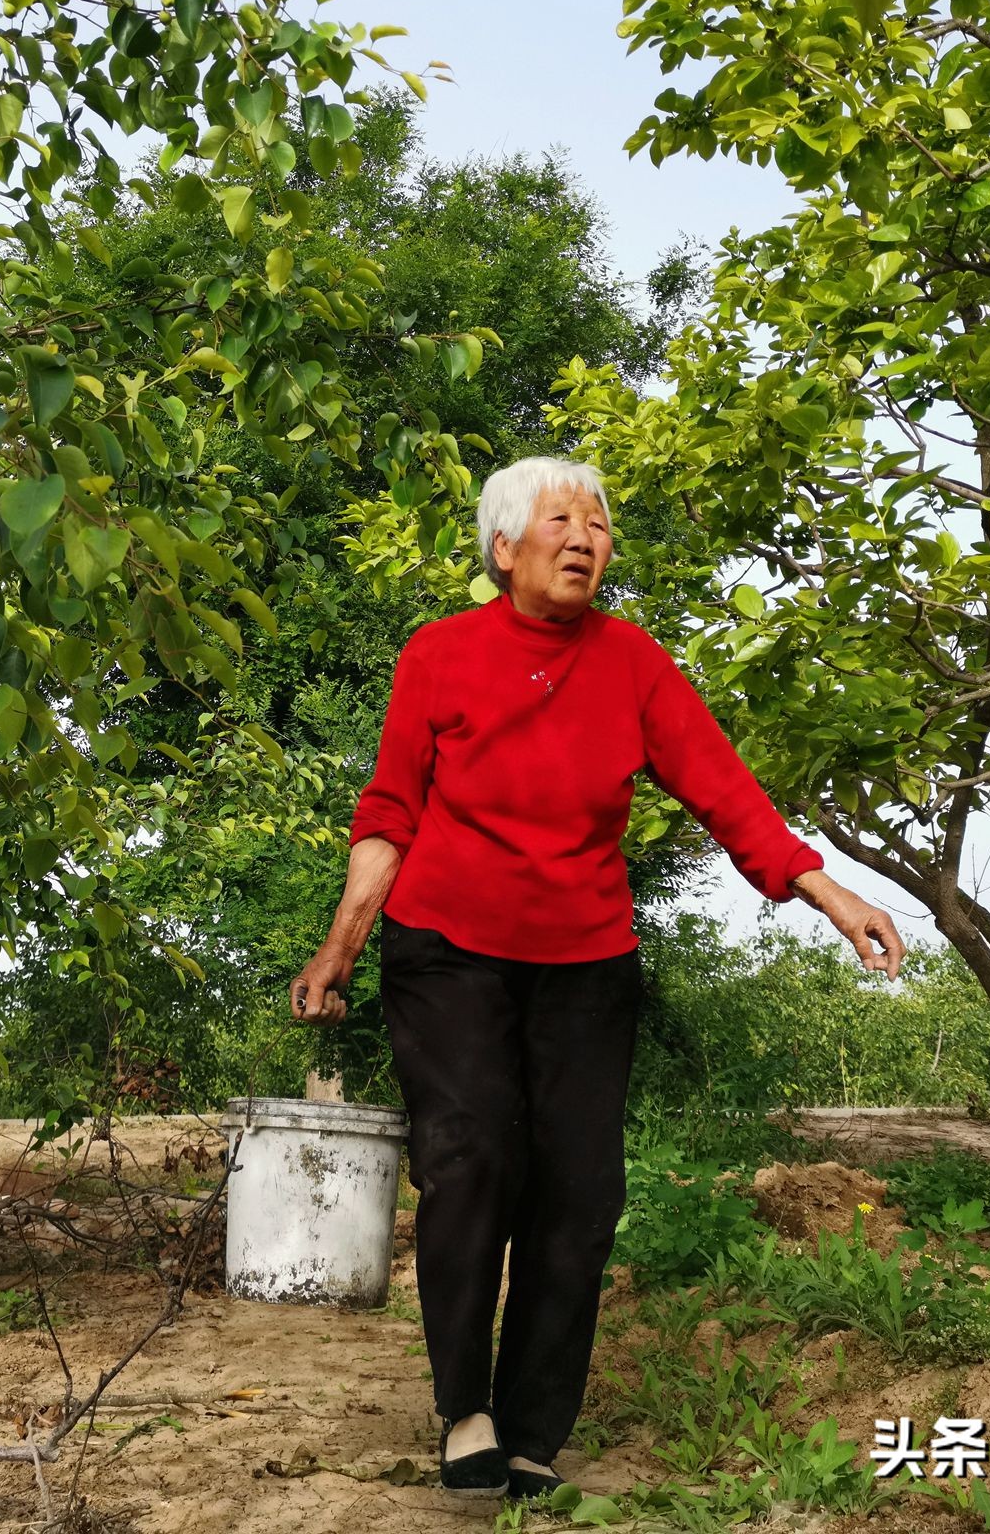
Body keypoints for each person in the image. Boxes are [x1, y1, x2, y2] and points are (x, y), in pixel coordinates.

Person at [290, 455, 904, 1502]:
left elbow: (723, 788)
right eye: (560, 519)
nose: (584, 537)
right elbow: (391, 808)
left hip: (584, 959)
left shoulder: (631, 663)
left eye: (599, 524)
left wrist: (825, 890)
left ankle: (532, 1426)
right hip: (448, 949)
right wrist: (343, 941)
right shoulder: (440, 655)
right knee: (473, 1154)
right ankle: (466, 1409)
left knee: (579, 1189)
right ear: (504, 547)